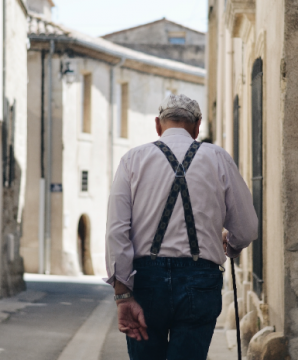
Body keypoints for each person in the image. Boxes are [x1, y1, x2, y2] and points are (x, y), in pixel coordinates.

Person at [105, 94, 258, 360]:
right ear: (197, 126)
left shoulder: (133, 160)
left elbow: (116, 231)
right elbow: (246, 229)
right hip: (200, 282)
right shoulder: (218, 157)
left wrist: (123, 295)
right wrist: (231, 246)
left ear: (157, 125)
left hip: (146, 282)